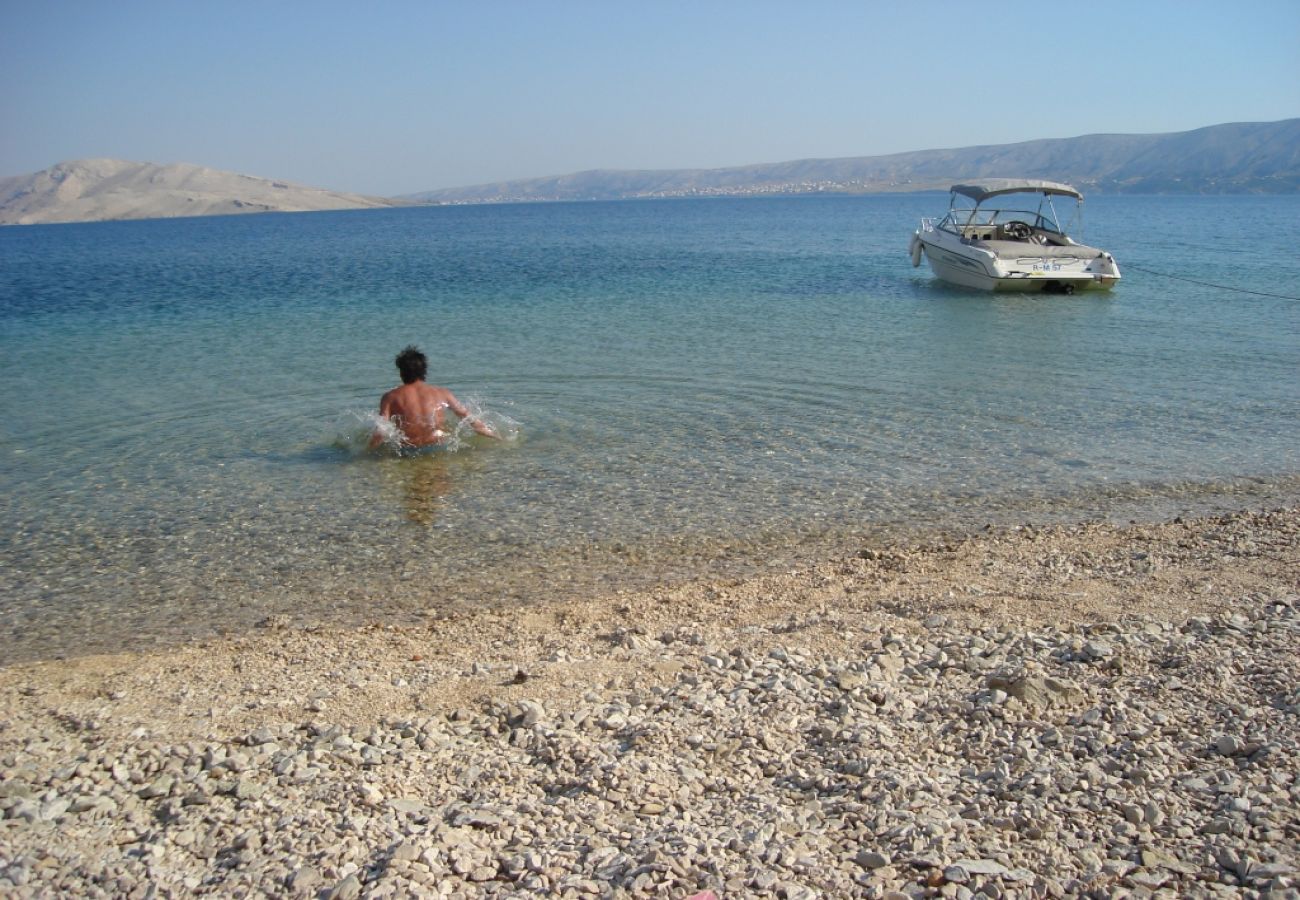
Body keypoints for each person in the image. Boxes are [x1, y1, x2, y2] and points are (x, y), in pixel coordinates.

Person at [370, 345, 499, 449]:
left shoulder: (390, 397)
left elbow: (381, 431)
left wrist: (367, 452)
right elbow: (468, 418)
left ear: (401, 372)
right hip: (438, 447)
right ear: (424, 370)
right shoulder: (442, 393)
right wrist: (496, 436)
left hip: (409, 451)